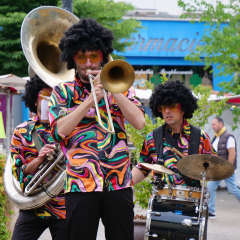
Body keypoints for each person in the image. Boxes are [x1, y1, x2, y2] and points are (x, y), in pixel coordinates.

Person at [48, 18, 145, 240]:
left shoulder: (120, 84)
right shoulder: (62, 91)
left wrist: (114, 90)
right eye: (82, 57)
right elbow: (58, 131)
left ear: (103, 56)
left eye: (94, 57)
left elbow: (139, 122)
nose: (89, 63)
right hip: (81, 182)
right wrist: (89, 101)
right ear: (73, 59)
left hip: (118, 180)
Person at [132, 80, 216, 240]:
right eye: (163, 107)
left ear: (183, 108)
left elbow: (215, 167)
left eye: (172, 106)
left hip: (193, 206)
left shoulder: (201, 138)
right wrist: (122, 183)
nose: (167, 111)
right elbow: (143, 168)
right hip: (161, 206)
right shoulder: (152, 138)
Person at [11, 76, 67, 240]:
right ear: (34, 101)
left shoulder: (70, 129)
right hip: (33, 206)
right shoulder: (22, 131)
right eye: (45, 97)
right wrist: (39, 159)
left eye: (55, 98)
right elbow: (19, 173)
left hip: (64, 207)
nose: (50, 101)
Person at [207, 116, 240, 218]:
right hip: (217, 170)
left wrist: (228, 169)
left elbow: (232, 154)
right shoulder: (216, 137)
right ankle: (211, 211)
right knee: (210, 187)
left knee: (233, 189)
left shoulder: (228, 136)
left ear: (221, 124)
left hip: (226, 169)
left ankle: (211, 210)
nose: (212, 126)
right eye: (212, 124)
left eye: (214, 124)